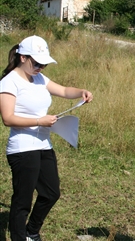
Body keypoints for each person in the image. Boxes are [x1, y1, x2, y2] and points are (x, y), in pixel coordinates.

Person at [0, 35, 93, 241]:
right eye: (37, 62)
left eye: (44, 63)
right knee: (22, 200)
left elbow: (63, 90)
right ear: (22, 57)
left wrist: (81, 92)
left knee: (51, 193)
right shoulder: (9, 82)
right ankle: (19, 237)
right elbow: (7, 118)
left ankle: (31, 232)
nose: (41, 67)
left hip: (43, 145)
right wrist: (39, 121)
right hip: (22, 148)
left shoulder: (40, 78)